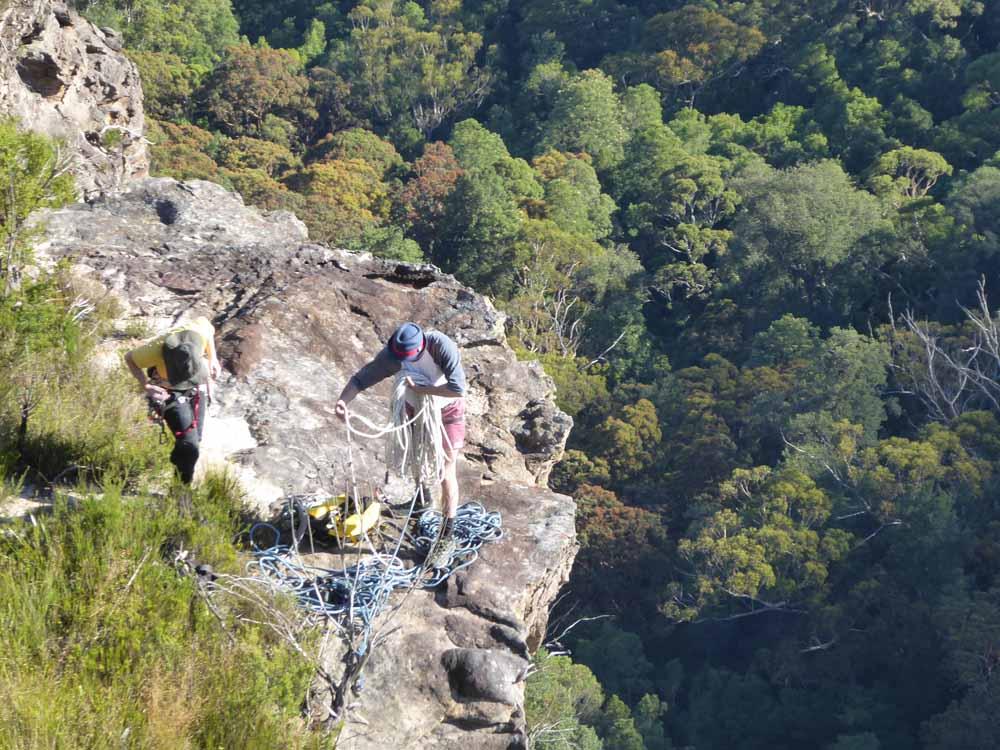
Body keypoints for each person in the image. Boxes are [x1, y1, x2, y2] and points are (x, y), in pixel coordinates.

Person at [335, 322, 466, 564]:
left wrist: (423, 390)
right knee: (416, 453)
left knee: (445, 471)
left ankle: (446, 537)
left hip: (448, 411)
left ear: (421, 345)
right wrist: (343, 401)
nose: (403, 361)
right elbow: (361, 379)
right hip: (414, 409)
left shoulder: (440, 346)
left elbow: (458, 388)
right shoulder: (393, 355)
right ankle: (422, 499)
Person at [124, 316, 221, 485]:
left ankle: (180, 465)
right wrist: (146, 386)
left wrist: (213, 358)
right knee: (190, 445)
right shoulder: (156, 349)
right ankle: (181, 490)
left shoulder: (199, 331)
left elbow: (207, 326)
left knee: (194, 440)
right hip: (167, 390)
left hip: (196, 387)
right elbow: (129, 358)